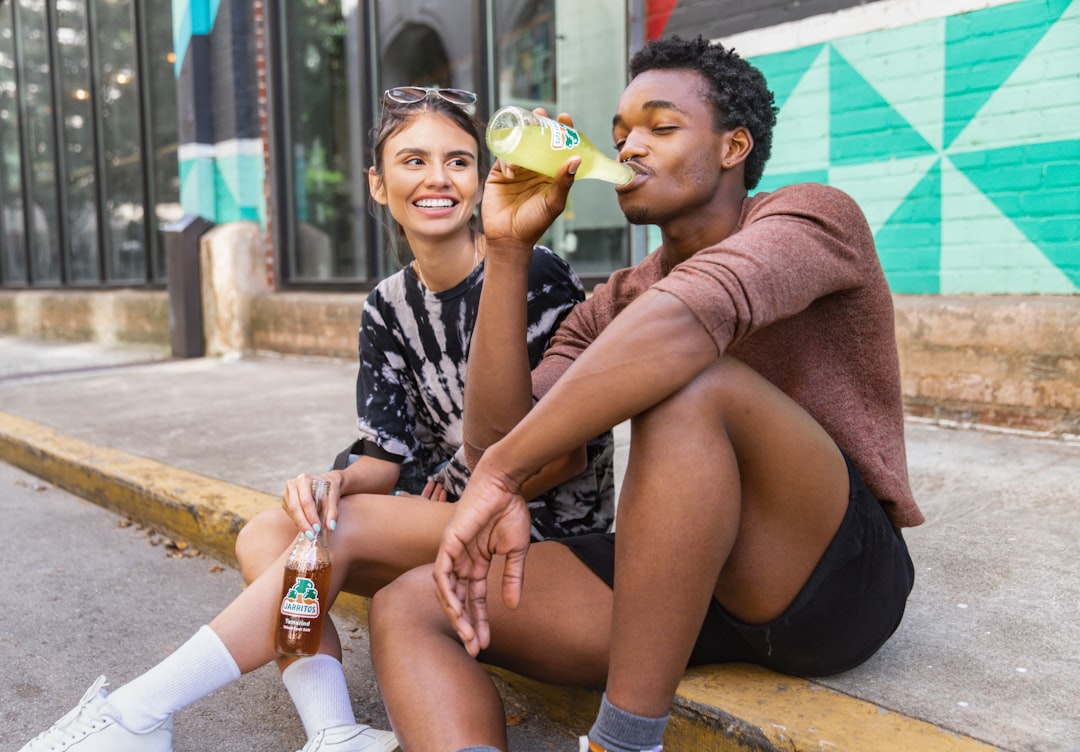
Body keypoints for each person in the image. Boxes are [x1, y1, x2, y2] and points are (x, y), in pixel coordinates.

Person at [365, 36, 924, 752]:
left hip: (830, 575)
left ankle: (624, 741)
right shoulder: (617, 299)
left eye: (660, 128)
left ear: (734, 147)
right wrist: (506, 252)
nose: (628, 148)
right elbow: (501, 442)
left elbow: (693, 319)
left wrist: (499, 474)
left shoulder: (812, 217)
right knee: (413, 603)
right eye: (621, 133)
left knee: (691, 383)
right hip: (686, 577)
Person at [19, 87, 614, 752]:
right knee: (273, 533)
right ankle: (334, 729)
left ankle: (139, 712)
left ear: (481, 180)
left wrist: (414, 501)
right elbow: (381, 458)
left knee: (341, 530)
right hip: (446, 519)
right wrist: (331, 483)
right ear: (378, 185)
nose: (437, 178)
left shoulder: (534, 272)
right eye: (413, 160)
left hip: (540, 529)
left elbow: (564, 453)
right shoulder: (387, 307)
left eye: (458, 161)